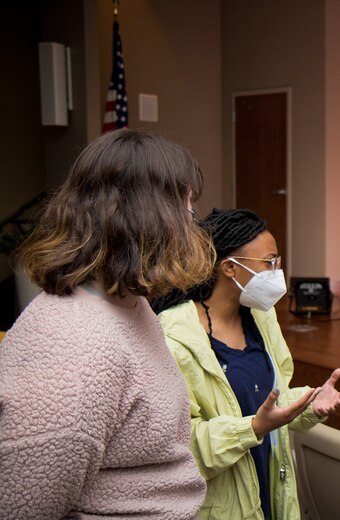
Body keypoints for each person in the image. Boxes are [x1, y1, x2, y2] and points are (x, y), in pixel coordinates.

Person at [0, 129, 215, 518]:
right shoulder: (75, 346)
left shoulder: (129, 305)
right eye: (185, 205)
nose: (193, 219)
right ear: (148, 216)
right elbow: (22, 506)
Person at [153, 208, 340, 520]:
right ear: (230, 267)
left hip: (272, 489)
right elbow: (177, 446)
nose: (277, 271)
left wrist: (309, 403)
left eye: (278, 262)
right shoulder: (175, 336)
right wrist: (252, 428)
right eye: (269, 262)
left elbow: (269, 401)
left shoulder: (261, 317)